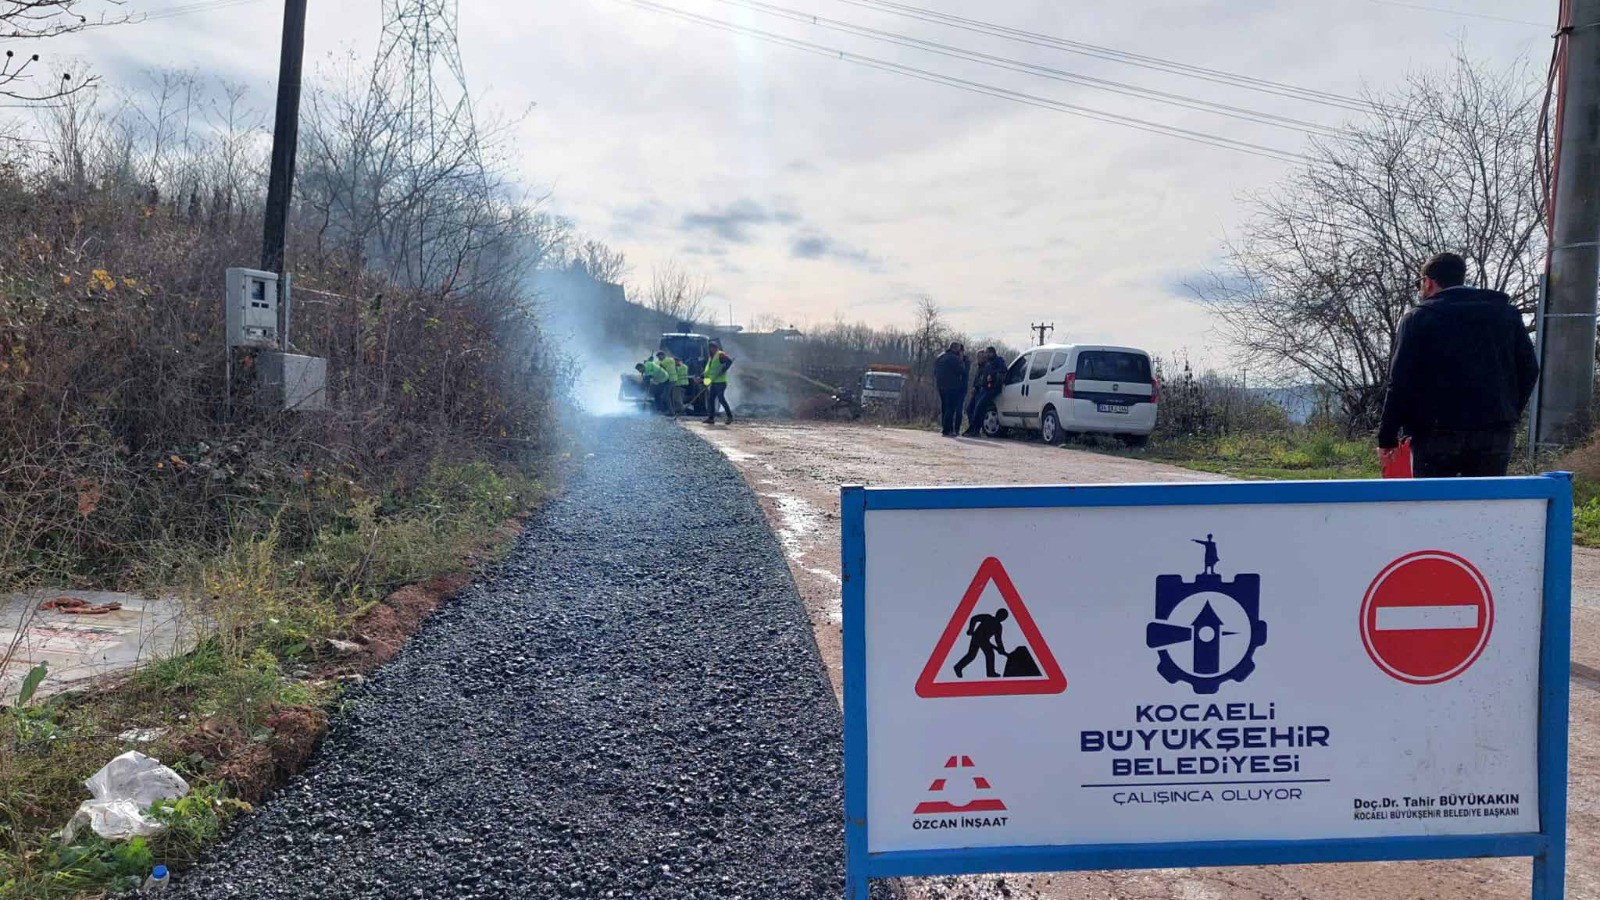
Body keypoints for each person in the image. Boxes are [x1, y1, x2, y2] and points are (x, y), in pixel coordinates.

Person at [1377, 252, 1538, 478]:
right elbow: (1529, 369)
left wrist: (1388, 437)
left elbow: (1400, 381)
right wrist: (1508, 411)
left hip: (1434, 433)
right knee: (1486, 504)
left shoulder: (1418, 319)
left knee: (1436, 505)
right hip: (1495, 431)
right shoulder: (1505, 314)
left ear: (1428, 281)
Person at [952, 608, 1009, 679]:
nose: (1001, 618)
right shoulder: (988, 618)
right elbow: (974, 619)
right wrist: (971, 629)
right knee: (989, 654)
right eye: (1001, 616)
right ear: (997, 614)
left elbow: (998, 639)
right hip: (977, 637)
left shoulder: (998, 627)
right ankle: (990, 672)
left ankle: (958, 667)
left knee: (972, 655)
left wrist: (1001, 648)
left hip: (983, 640)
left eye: (1003, 617)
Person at [962, 347, 1007, 437]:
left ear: (991, 353)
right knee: (971, 409)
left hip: (990, 389)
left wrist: (992, 376)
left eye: (986, 354)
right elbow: (979, 379)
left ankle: (975, 430)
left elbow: (1002, 371)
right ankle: (972, 428)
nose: (985, 356)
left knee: (979, 408)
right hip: (982, 389)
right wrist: (975, 387)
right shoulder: (986, 364)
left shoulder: (997, 361)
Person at [933, 341, 969, 436]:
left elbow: (935, 372)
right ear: (955, 348)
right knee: (950, 408)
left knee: (944, 406)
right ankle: (947, 429)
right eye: (958, 349)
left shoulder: (940, 357)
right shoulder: (955, 359)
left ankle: (944, 427)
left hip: (940, 386)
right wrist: (962, 360)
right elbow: (963, 371)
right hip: (952, 386)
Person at [702, 340, 735, 425]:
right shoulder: (711, 357)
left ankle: (730, 417)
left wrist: (723, 370)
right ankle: (711, 418)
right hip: (714, 381)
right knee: (711, 399)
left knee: (721, 398)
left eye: (712, 348)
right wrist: (701, 377)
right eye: (710, 348)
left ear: (716, 348)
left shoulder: (720, 354)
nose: (711, 349)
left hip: (721, 382)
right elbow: (708, 370)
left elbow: (729, 361)